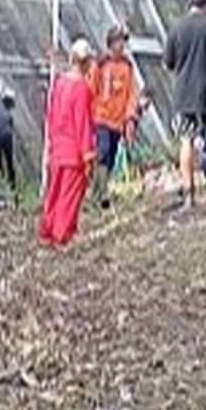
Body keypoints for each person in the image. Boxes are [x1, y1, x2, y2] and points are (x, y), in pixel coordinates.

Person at [165, 0, 206, 211]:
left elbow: (169, 62)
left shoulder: (176, 28)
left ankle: (189, 192)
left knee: (186, 140)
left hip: (184, 93)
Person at [40, 40, 97, 249]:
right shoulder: (82, 88)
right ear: (84, 62)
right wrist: (88, 155)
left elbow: (52, 116)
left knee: (54, 191)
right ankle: (62, 233)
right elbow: (83, 124)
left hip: (58, 148)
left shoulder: (59, 83)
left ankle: (48, 229)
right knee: (69, 195)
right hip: (74, 151)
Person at [88, 27, 139, 210]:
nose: (121, 46)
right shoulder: (101, 66)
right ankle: (102, 193)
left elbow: (132, 94)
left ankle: (98, 191)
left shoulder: (127, 67)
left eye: (123, 42)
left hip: (118, 121)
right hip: (101, 117)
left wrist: (130, 117)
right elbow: (92, 90)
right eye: (118, 42)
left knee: (109, 157)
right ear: (110, 44)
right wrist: (90, 115)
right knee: (103, 151)